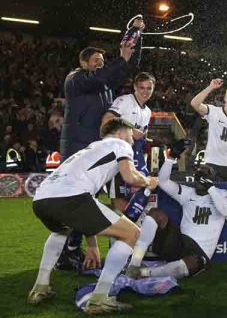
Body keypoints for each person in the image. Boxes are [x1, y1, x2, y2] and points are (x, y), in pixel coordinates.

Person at [28, 118, 158, 314]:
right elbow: (130, 177)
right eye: (131, 134)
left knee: (62, 231)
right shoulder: (120, 144)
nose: (132, 139)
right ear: (121, 132)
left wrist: (92, 245)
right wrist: (148, 181)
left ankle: (40, 287)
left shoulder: (90, 150)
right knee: (131, 233)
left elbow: (88, 209)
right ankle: (99, 299)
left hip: (41, 199)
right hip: (70, 198)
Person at [58, 21, 141, 271]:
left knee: (87, 198)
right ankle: (67, 252)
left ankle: (71, 251)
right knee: (75, 199)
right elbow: (106, 74)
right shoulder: (75, 79)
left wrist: (136, 40)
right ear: (83, 63)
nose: (100, 63)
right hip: (77, 146)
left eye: (102, 60)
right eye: (96, 60)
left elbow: (127, 69)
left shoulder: (102, 85)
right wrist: (121, 57)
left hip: (92, 147)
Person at [126, 142, 227, 280]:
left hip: (200, 251)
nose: (200, 179)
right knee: (155, 213)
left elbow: (226, 211)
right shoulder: (188, 193)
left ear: (212, 179)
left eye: (205, 175)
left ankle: (144, 274)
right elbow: (163, 181)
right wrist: (171, 158)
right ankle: (134, 264)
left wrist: (210, 188)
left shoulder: (221, 194)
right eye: (199, 175)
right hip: (179, 242)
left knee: (191, 264)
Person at [102, 72, 155, 211]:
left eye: (149, 88)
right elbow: (107, 119)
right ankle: (125, 227)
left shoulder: (148, 111)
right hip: (117, 155)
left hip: (134, 155)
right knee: (119, 199)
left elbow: (140, 135)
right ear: (135, 87)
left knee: (139, 194)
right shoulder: (125, 100)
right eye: (142, 87)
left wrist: (147, 140)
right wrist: (131, 129)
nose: (145, 91)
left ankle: (128, 226)